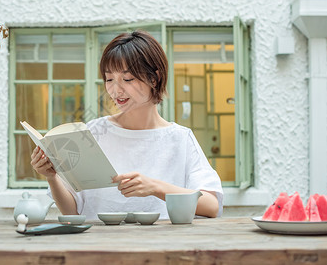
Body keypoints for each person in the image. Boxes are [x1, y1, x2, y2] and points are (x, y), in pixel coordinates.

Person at [31, 30, 223, 220]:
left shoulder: (179, 138)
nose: (116, 90)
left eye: (128, 79)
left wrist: (155, 188)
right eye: (109, 79)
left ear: (153, 78)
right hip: (97, 247)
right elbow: (72, 212)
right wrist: (52, 177)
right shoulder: (93, 133)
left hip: (161, 246)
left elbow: (211, 206)